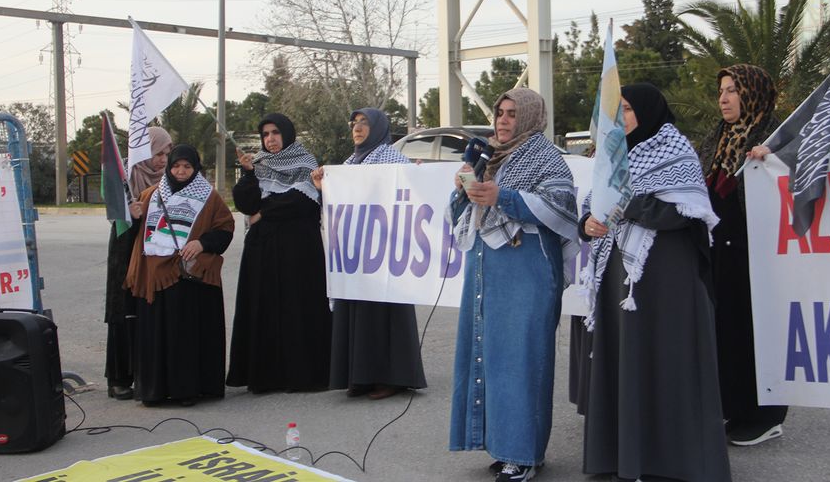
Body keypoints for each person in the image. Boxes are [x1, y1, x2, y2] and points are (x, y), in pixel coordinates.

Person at [580, 83, 731, 482]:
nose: (621, 118)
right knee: (625, 359)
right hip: (619, 280)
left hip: (665, 281)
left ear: (647, 111)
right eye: (618, 111)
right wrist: (588, 222)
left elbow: (687, 212)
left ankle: (672, 460)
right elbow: (592, 204)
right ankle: (622, 455)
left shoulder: (674, 149)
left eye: (627, 110)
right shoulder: (613, 155)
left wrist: (627, 203)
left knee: (665, 361)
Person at [448, 88, 579, 482]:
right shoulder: (486, 156)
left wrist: (503, 197)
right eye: (499, 113)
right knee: (487, 354)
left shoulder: (545, 156)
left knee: (522, 359)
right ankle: (503, 446)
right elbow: (463, 211)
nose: (502, 121)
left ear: (529, 117)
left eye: (510, 114)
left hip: (528, 269)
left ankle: (523, 456)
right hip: (486, 266)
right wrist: (463, 189)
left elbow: (561, 207)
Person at [697, 64, 788, 446]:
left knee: (756, 330)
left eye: (733, 90)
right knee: (727, 329)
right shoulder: (718, 137)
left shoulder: (776, 134)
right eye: (721, 90)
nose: (724, 98)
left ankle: (767, 416)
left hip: (757, 252)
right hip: (721, 251)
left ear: (752, 93)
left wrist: (773, 159)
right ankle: (735, 406)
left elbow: (803, 173)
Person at [311, 107, 427, 400]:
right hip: (357, 253)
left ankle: (392, 378)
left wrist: (418, 173)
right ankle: (360, 376)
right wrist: (322, 186)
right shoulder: (350, 163)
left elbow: (414, 190)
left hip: (385, 252)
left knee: (384, 315)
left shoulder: (391, 157)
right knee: (358, 313)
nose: (358, 128)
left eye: (364, 123)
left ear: (377, 128)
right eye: (354, 123)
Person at [226, 113, 332, 393]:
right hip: (262, 251)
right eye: (265, 135)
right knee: (264, 308)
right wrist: (248, 174)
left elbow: (301, 202)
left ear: (286, 133)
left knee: (297, 308)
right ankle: (267, 376)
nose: (270, 139)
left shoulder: (305, 161)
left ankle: (302, 375)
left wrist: (265, 211)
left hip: (297, 251)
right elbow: (245, 203)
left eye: (275, 133)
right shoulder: (258, 164)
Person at [124, 144, 234, 406]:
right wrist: (133, 219)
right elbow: (132, 236)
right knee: (156, 335)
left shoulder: (209, 196)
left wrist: (203, 244)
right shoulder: (150, 194)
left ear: (196, 168)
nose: (181, 171)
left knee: (186, 335)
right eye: (176, 166)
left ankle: (188, 390)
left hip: (188, 278)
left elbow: (225, 228)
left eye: (187, 166)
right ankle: (155, 391)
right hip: (155, 276)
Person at [104, 126, 171, 400]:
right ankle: (119, 378)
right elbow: (115, 218)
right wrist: (130, 216)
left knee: (148, 314)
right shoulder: (128, 180)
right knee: (123, 314)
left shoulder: (168, 181)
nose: (163, 159)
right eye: (158, 152)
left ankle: (148, 374)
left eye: (167, 152)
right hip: (125, 251)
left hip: (153, 256)